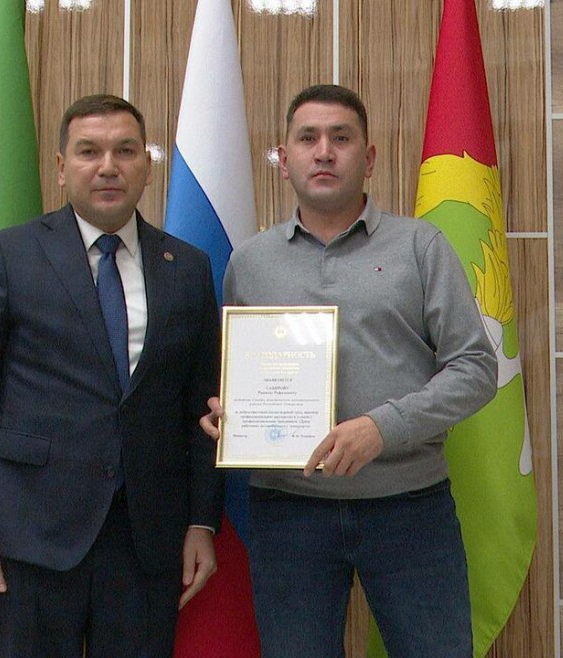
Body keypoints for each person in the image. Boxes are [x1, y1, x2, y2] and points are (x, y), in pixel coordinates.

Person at [200, 84, 497, 658]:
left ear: (370, 157)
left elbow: (476, 367)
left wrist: (383, 427)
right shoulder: (250, 262)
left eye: (341, 137)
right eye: (307, 138)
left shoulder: (421, 246)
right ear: (284, 159)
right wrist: (230, 416)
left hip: (409, 505)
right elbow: (239, 372)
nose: (324, 151)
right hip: (289, 512)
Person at [0, 94, 223, 658]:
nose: (108, 166)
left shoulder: (187, 267)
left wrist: (202, 522)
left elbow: (203, 408)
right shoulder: (7, 257)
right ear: (62, 168)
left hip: (146, 541)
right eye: (89, 152)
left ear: (147, 166)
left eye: (125, 151)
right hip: (28, 539)